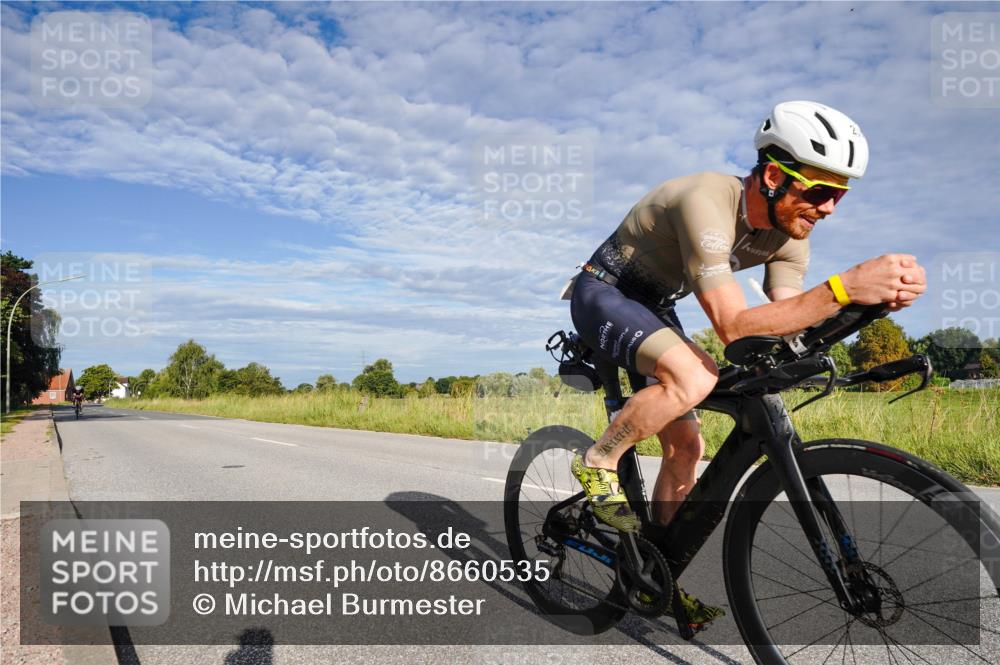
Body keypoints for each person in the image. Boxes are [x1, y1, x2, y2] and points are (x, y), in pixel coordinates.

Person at [566, 100, 927, 625]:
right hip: (605, 292)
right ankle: (598, 459)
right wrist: (845, 285)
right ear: (776, 177)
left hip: (657, 307)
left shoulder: (789, 236)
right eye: (821, 193)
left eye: (839, 197)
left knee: (687, 446)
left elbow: (787, 319)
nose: (829, 209)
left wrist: (867, 304)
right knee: (694, 374)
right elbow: (733, 324)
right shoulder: (706, 199)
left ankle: (655, 570)